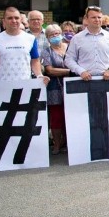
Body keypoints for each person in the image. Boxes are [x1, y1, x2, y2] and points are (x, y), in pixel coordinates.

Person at [65, 6, 109, 80]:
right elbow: (69, 59)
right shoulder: (76, 38)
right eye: (93, 17)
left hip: (106, 80)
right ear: (86, 19)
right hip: (83, 80)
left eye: (99, 17)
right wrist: (81, 71)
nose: (97, 20)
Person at [0, 7, 49, 84]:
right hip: (2, 84)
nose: (14, 21)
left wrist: (39, 75)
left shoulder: (30, 38)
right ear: (4, 21)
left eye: (16, 18)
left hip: (25, 84)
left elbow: (35, 61)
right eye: (10, 18)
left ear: (21, 20)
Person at [41, 24, 68, 154]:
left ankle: (68, 142)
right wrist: (69, 71)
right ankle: (56, 144)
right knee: (56, 116)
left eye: (57, 33)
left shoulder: (69, 48)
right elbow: (49, 70)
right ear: (47, 37)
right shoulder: (47, 51)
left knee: (69, 115)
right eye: (52, 35)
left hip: (71, 86)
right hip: (54, 88)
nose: (55, 36)